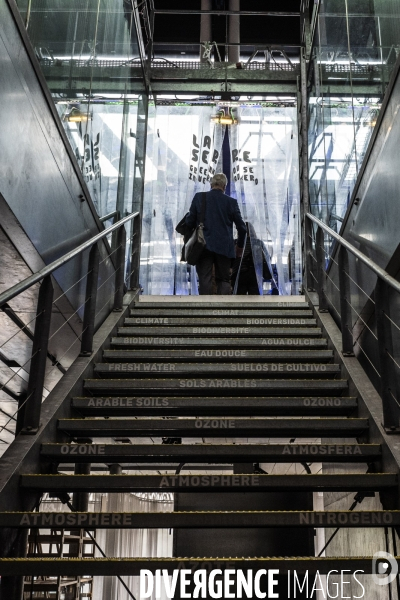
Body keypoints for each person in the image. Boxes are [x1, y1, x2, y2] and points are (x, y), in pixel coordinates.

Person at [185, 173, 246, 295]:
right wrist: (239, 247)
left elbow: (189, 222)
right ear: (224, 186)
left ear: (211, 184)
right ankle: (224, 310)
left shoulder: (199, 198)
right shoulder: (231, 202)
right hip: (224, 247)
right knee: (223, 279)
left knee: (205, 279)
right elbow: (242, 228)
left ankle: (205, 310)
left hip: (203, 246)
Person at [231, 221, 278, 295]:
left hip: (238, 275)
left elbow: (231, 260)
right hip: (254, 275)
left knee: (238, 299)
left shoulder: (235, 243)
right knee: (254, 299)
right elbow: (267, 259)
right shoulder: (259, 243)